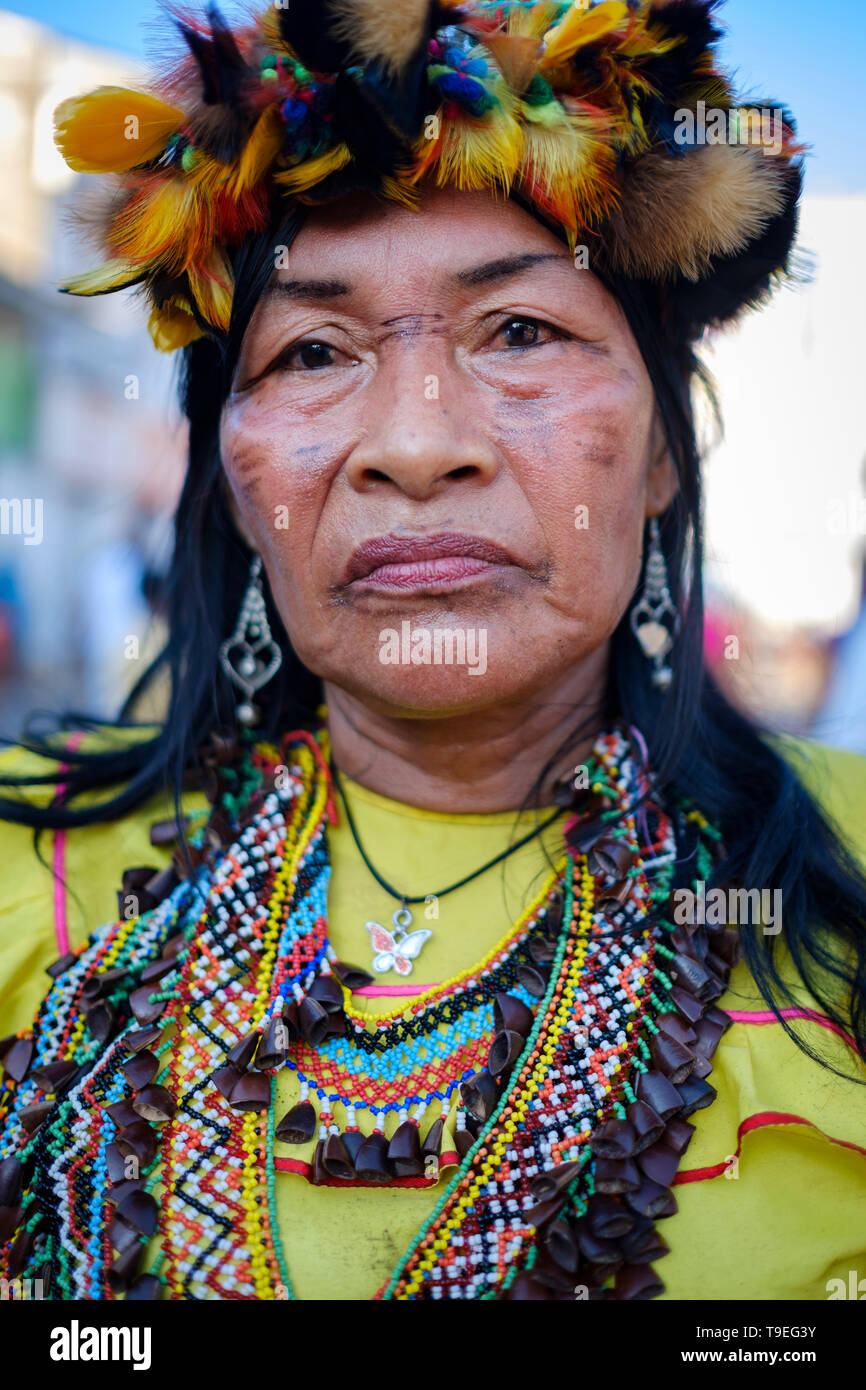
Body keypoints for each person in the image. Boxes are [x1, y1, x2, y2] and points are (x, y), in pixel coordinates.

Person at [0, 0, 864, 1303]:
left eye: (520, 331)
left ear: (660, 456)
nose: (414, 443)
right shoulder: (25, 877)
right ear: (232, 481)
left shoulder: (841, 883)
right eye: (313, 349)